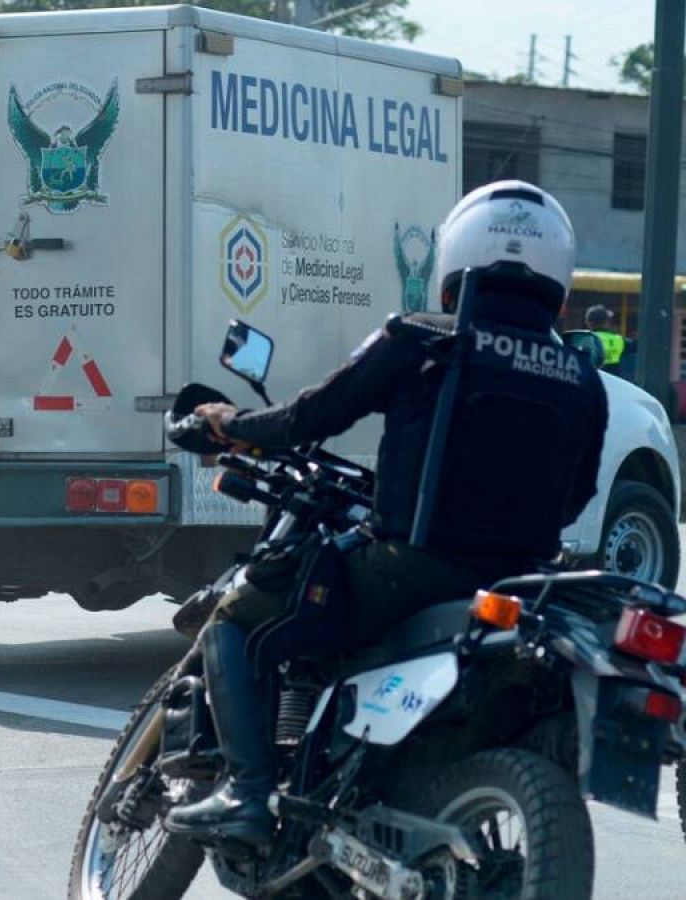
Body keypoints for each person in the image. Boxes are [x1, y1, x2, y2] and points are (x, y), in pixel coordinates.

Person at [162, 180, 608, 847]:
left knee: (237, 619)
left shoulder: (420, 339)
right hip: (518, 586)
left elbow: (309, 419)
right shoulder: (584, 379)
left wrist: (231, 423)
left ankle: (247, 794)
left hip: (411, 570)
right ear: (558, 283)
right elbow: (575, 497)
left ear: (455, 263)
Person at [585, 305, 627, 373]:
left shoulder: (582, 339)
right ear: (606, 322)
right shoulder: (618, 340)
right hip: (614, 381)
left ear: (588, 322)